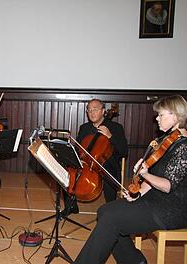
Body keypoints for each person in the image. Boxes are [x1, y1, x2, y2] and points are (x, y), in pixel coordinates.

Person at [73, 95, 187, 264]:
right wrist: (139, 192)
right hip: (152, 199)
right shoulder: (165, 141)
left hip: (170, 209)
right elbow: (154, 180)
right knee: (104, 211)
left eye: (161, 115)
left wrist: (145, 174)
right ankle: (134, 260)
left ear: (176, 116)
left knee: (112, 219)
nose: (157, 118)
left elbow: (167, 185)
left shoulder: (183, 147)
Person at [62, 99, 128, 217]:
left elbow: (123, 152)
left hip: (108, 166)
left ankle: (110, 212)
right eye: (89, 110)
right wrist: (78, 158)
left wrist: (110, 136)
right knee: (66, 173)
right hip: (87, 164)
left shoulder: (116, 127)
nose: (91, 113)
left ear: (103, 111)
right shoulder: (84, 128)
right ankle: (71, 206)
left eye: (95, 109)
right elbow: (79, 149)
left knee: (107, 176)